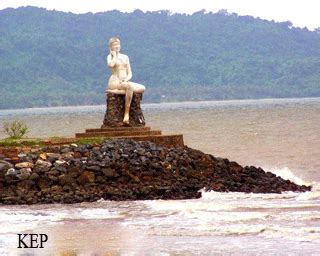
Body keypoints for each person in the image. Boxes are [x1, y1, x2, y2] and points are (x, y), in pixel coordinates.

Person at [106, 37, 145, 124]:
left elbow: (130, 73)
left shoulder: (125, 57)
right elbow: (111, 65)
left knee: (142, 88)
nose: (117, 46)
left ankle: (117, 92)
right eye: (115, 45)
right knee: (129, 87)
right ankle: (126, 114)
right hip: (115, 81)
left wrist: (126, 79)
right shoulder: (110, 57)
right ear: (111, 47)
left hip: (124, 82)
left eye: (118, 44)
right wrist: (114, 55)